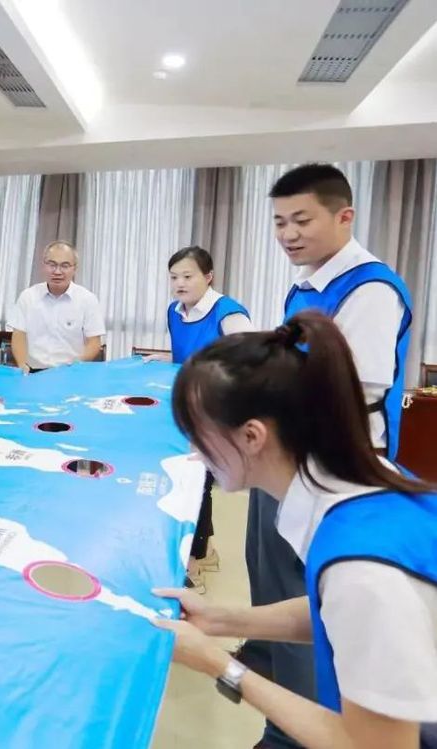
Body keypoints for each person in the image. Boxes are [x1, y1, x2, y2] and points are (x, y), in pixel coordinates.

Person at [153, 311, 436, 749]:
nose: (194, 451)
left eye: (200, 434)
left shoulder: (361, 570)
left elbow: (374, 745)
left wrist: (218, 665)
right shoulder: (360, 482)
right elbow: (333, 609)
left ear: (252, 436)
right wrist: (221, 620)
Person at [240, 164, 413, 748]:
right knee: (267, 571)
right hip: (288, 457)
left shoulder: (370, 288)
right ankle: (274, 683)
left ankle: (299, 729)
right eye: (279, 222)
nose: (288, 234)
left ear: (344, 216)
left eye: (302, 220)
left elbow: (352, 387)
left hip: (333, 466)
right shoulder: (306, 285)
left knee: (311, 590)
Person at [148, 245, 254, 593]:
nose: (179, 283)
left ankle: (196, 558)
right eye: (174, 277)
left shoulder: (228, 313)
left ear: (208, 277)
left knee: (199, 480)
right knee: (191, 478)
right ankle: (203, 550)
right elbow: (186, 354)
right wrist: (165, 358)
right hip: (188, 404)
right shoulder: (174, 310)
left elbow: (249, 365)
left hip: (218, 409)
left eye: (188, 276)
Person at [8, 240, 106, 373]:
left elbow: (94, 342)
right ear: (44, 266)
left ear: (74, 268)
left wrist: (77, 364)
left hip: (70, 372)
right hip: (33, 372)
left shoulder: (87, 300)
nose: (57, 271)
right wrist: (22, 365)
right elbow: (19, 335)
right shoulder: (28, 297)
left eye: (65, 266)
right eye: (52, 265)